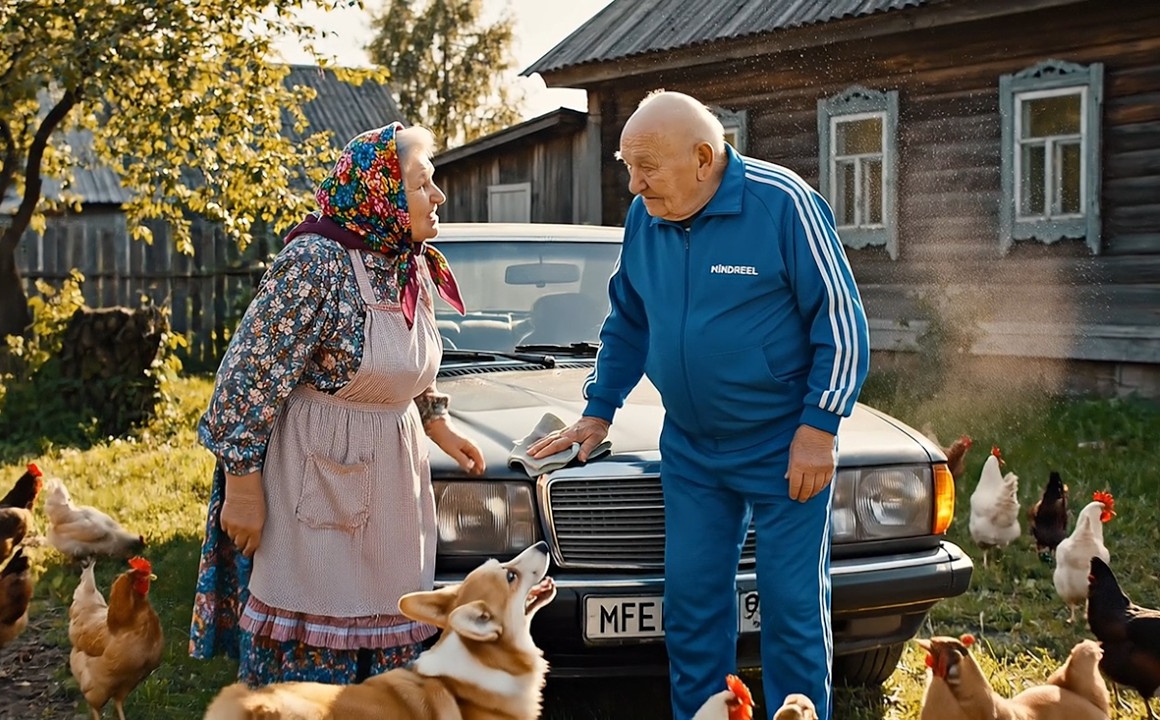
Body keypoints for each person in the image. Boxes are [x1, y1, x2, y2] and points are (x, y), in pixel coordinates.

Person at [527, 91, 870, 720]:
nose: (633, 185)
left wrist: (819, 429)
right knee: (691, 603)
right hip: (691, 448)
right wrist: (598, 410)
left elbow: (841, 322)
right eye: (626, 166)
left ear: (704, 158)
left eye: (646, 168)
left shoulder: (782, 205)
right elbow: (629, 320)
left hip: (782, 444)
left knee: (791, 604)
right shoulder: (645, 218)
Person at [189, 121, 486, 688]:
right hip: (317, 474)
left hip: (391, 473)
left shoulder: (407, 261)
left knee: (391, 614)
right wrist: (243, 491)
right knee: (319, 623)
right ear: (382, 194)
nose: (439, 197)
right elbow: (243, 381)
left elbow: (405, 359)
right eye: (424, 184)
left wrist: (436, 421)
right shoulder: (316, 265)